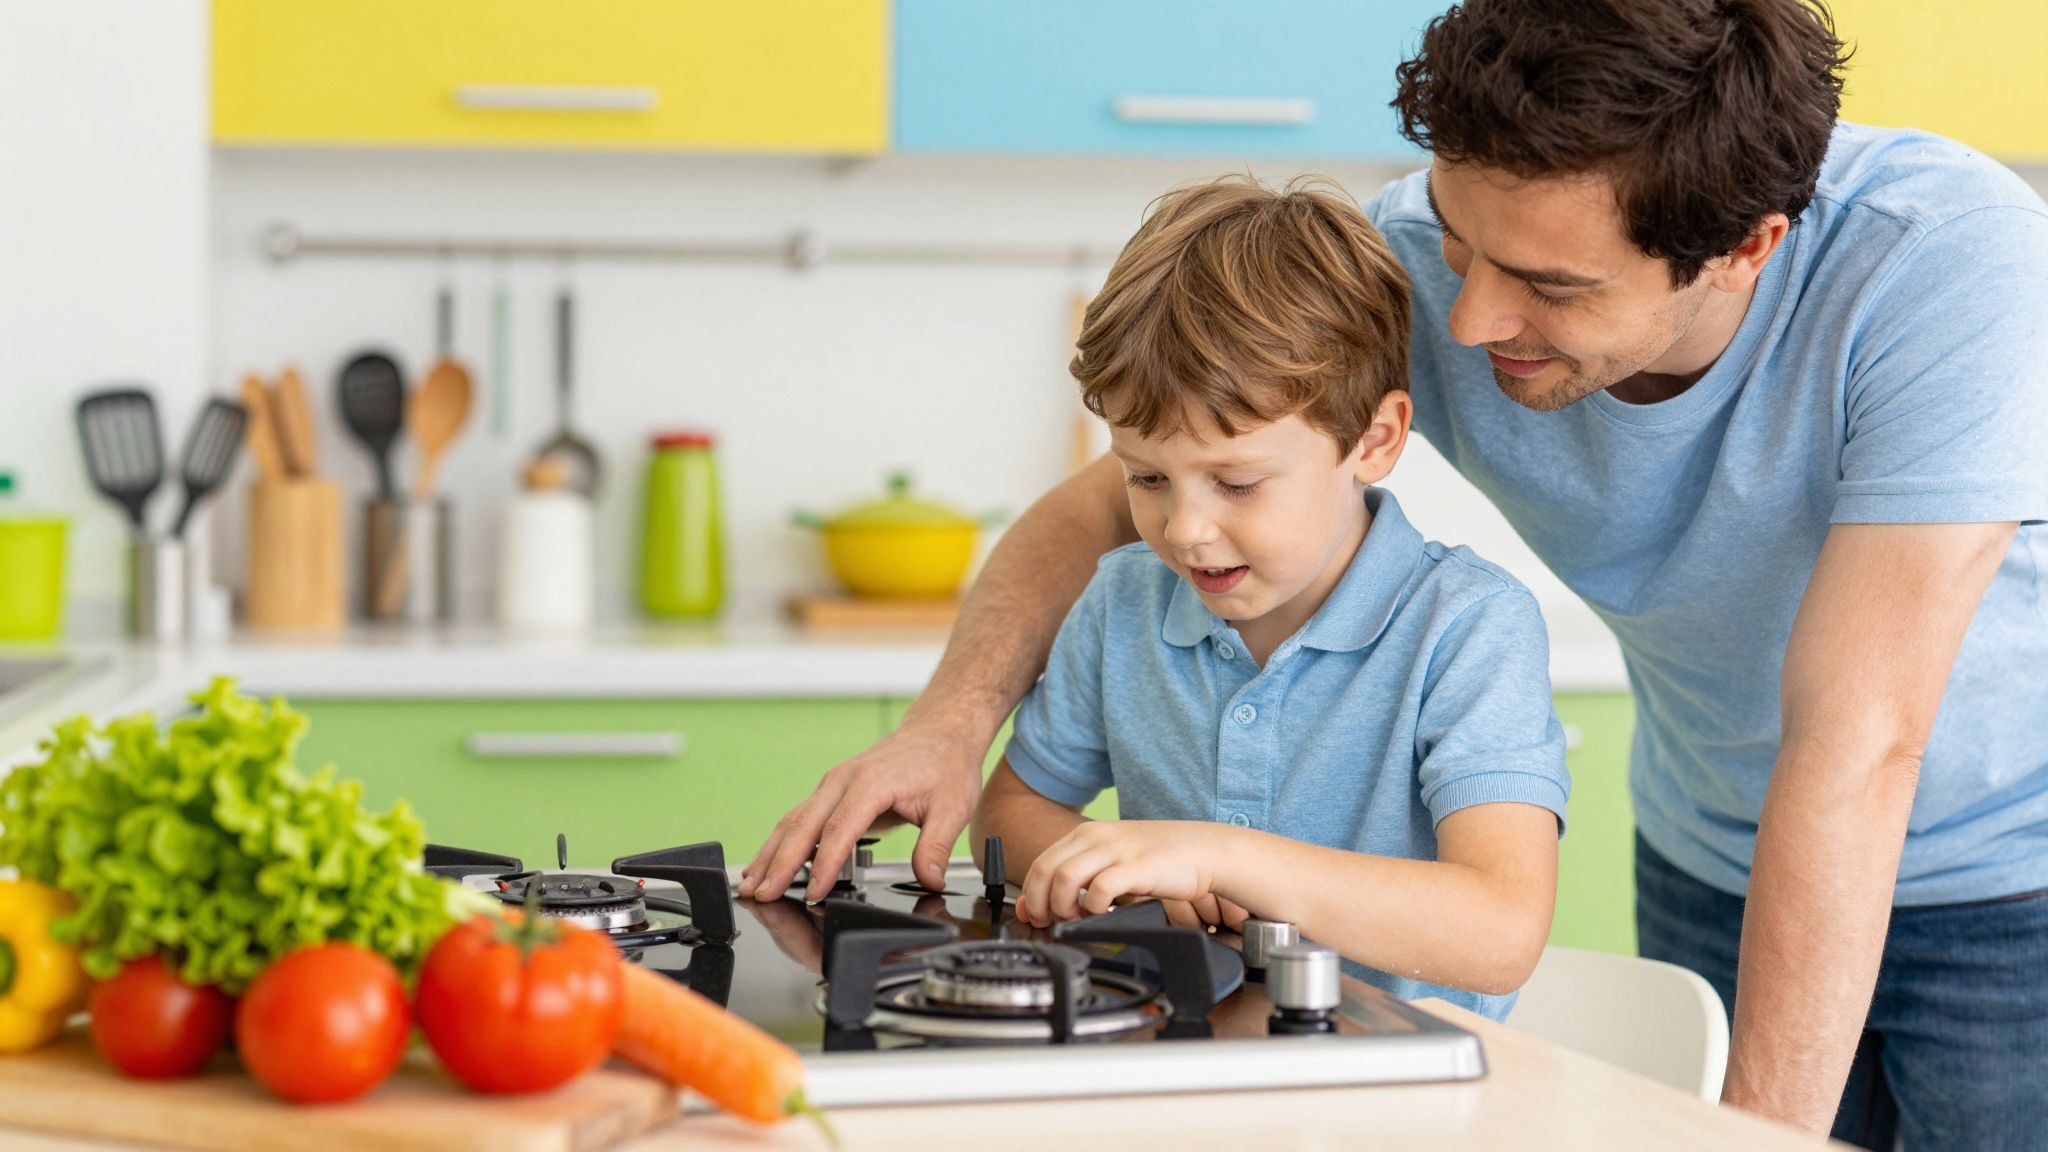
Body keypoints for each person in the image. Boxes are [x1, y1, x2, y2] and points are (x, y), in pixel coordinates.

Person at [742, 1, 2048, 1144]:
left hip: (2013, 874)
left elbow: (1861, 740)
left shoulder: (1942, 267)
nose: (1468, 324)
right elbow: (1108, 502)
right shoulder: (1422, 261)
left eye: (1545, 284)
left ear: (1744, 250)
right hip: (1716, 840)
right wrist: (949, 726)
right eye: (1460, 243)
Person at [968, 176, 1568, 1020]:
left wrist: (1213, 856)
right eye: (1146, 477)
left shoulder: (1466, 627)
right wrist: (1125, 876)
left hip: (1412, 1102)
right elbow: (1012, 811)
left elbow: (1499, 932)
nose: (1184, 531)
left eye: (1238, 483)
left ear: (1375, 440)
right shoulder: (1124, 603)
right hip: (1186, 1067)